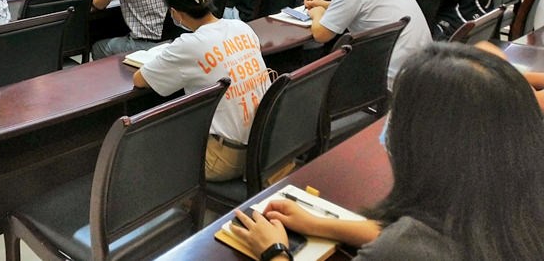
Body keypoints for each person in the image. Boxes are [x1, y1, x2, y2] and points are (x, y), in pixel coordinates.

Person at [228, 43, 544, 261]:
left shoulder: (405, 247)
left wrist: (275, 251)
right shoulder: (511, 205)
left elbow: (411, 244)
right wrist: (319, 224)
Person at [133, 0, 271, 181]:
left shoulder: (188, 45)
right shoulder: (242, 27)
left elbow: (140, 80)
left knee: (150, 139)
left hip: (224, 159)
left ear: (175, 13)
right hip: (266, 146)